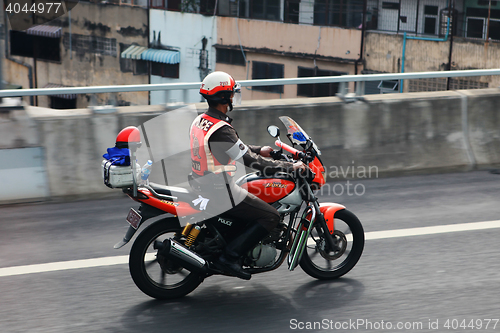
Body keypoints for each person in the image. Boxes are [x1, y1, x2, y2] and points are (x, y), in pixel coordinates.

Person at [189, 71, 308, 280]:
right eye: (231, 94)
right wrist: (290, 167)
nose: (234, 97)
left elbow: (231, 148)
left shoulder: (202, 120)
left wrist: (258, 148)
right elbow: (252, 162)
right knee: (270, 215)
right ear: (224, 97)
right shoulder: (221, 129)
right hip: (221, 191)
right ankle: (230, 257)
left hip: (200, 183)